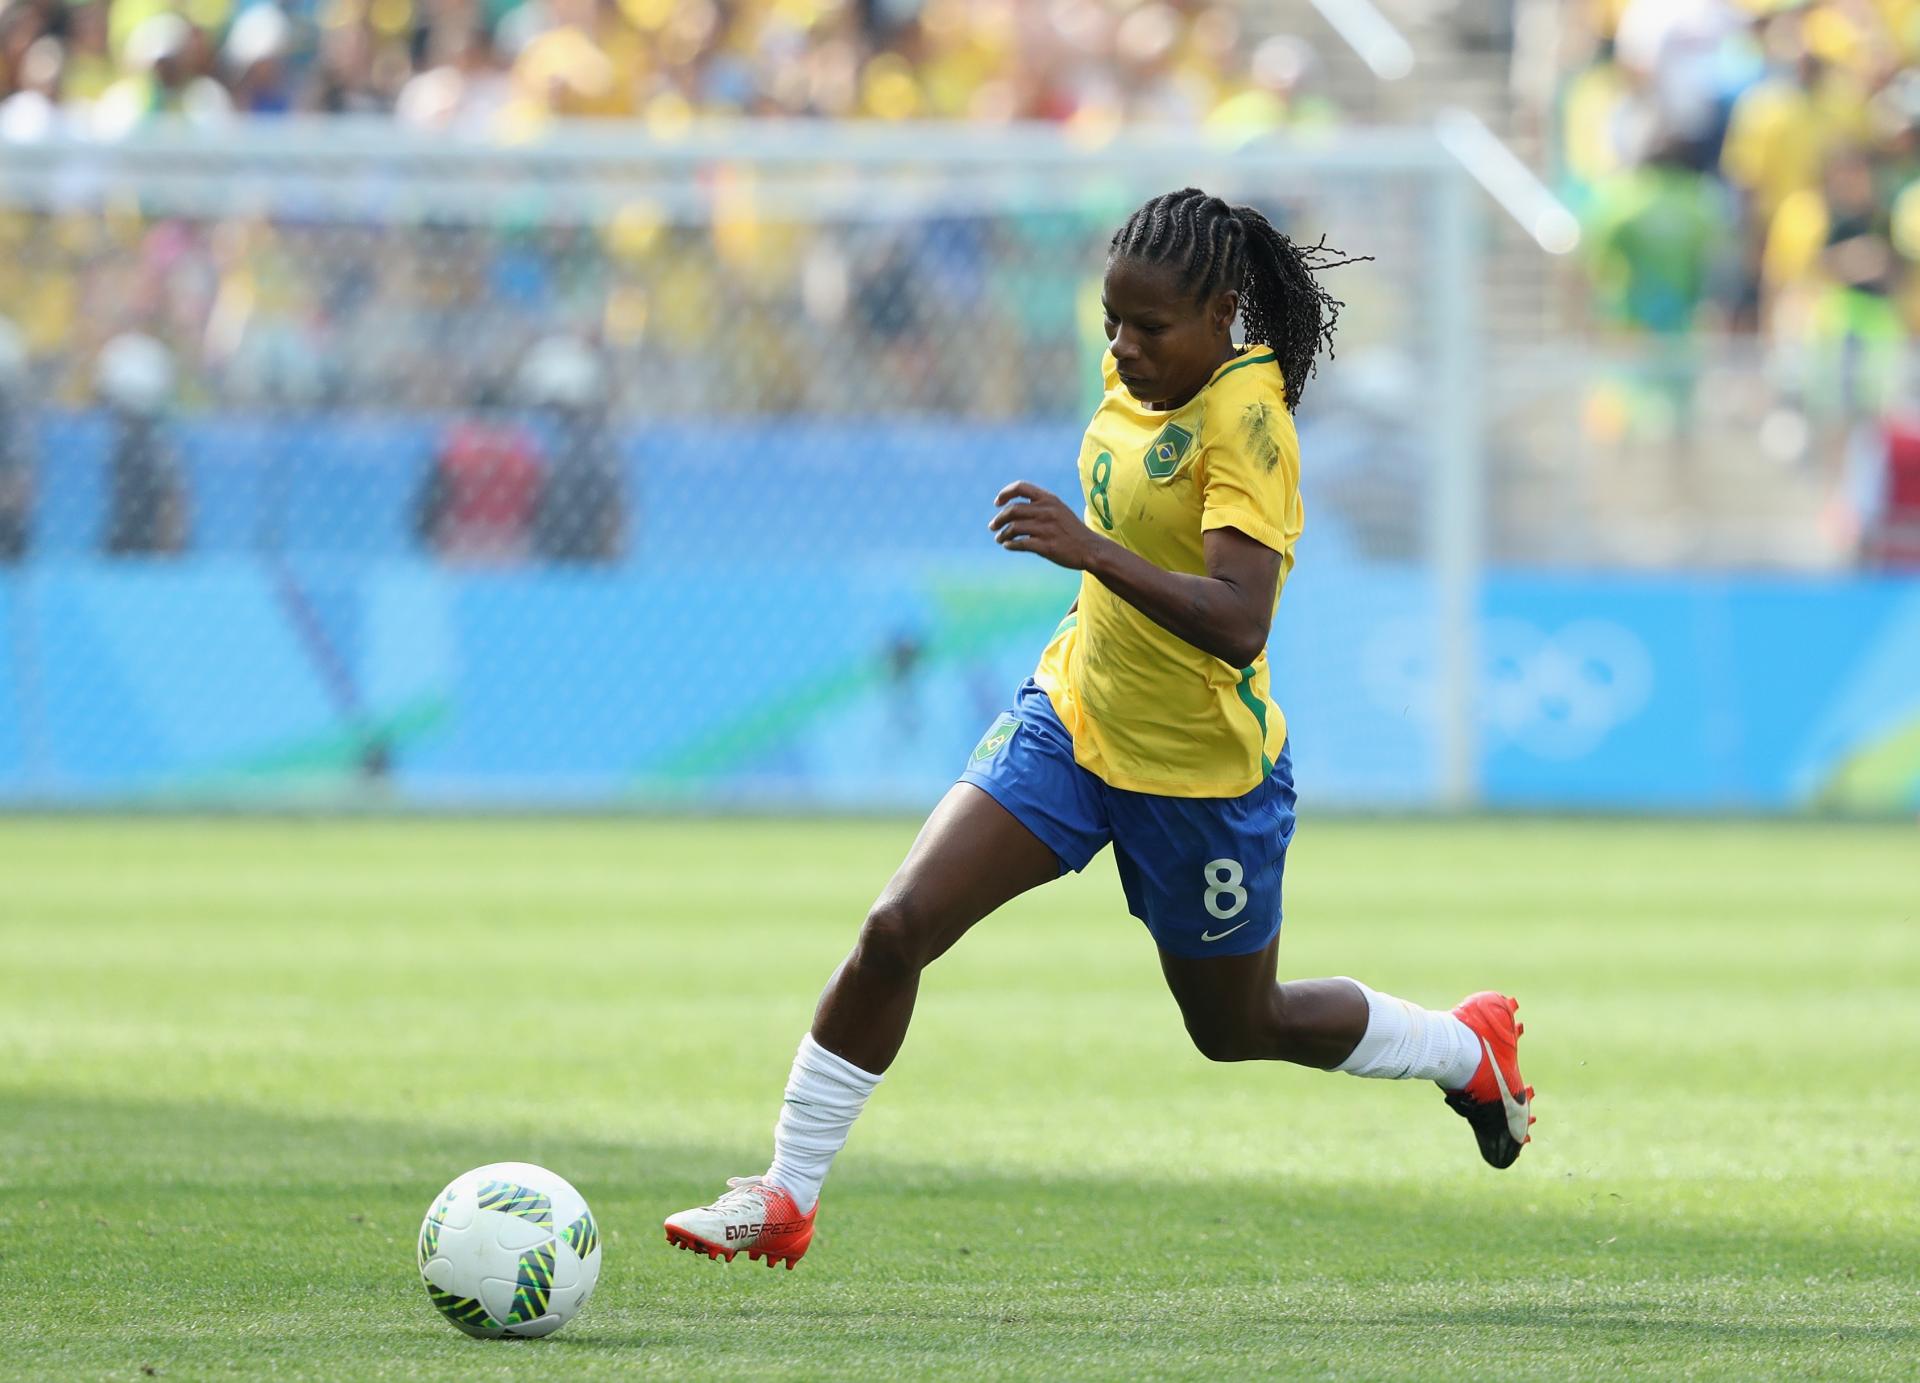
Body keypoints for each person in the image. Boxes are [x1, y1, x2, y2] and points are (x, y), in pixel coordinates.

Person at [663, 189, 1535, 1271]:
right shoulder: (1141, 376)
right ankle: (785, 1192)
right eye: (1110, 322)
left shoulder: (1248, 422)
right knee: (898, 926)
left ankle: (1465, 1047)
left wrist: (1093, 553)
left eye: (1149, 329)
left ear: (1223, 312)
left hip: (1201, 777)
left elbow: (1239, 621)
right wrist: (1095, 573)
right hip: (1073, 718)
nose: (1122, 349)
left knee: (1234, 1027)